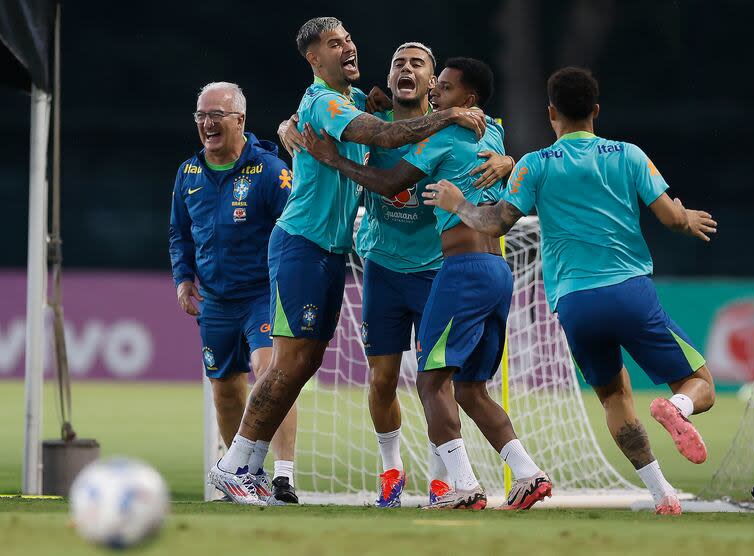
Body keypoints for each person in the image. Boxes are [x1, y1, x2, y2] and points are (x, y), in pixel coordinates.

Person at [207, 17, 488, 505]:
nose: (349, 47)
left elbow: (371, 117)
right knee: (289, 362)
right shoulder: (324, 101)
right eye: (335, 44)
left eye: (349, 39)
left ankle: (246, 466)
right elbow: (382, 136)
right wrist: (448, 116)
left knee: (305, 362)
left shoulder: (351, 100)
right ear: (314, 58)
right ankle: (235, 464)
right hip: (303, 243)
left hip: (331, 250)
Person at [424, 66, 718, 515]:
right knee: (701, 384)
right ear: (596, 110)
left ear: (550, 113)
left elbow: (497, 222)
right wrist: (687, 219)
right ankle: (677, 407)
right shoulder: (629, 155)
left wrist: (457, 204)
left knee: (614, 398)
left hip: (575, 305)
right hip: (629, 291)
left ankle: (663, 495)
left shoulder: (534, 164)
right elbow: (670, 217)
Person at [301, 57, 552, 511]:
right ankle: (529, 475)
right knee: (470, 389)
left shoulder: (440, 136)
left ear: (468, 101)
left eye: (445, 87)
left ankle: (461, 485)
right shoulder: (487, 132)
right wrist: (509, 158)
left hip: (456, 271)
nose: (436, 92)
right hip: (495, 271)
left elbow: (390, 181)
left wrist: (333, 159)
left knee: (431, 383)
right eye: (400, 63)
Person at [169, 82, 298, 505]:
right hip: (216, 301)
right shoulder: (188, 174)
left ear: (239, 120)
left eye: (216, 115)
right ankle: (244, 475)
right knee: (224, 390)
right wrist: (184, 279)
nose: (207, 123)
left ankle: (283, 476)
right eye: (201, 115)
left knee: (270, 373)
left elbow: (294, 224)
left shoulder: (267, 170)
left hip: (263, 292)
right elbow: (180, 233)